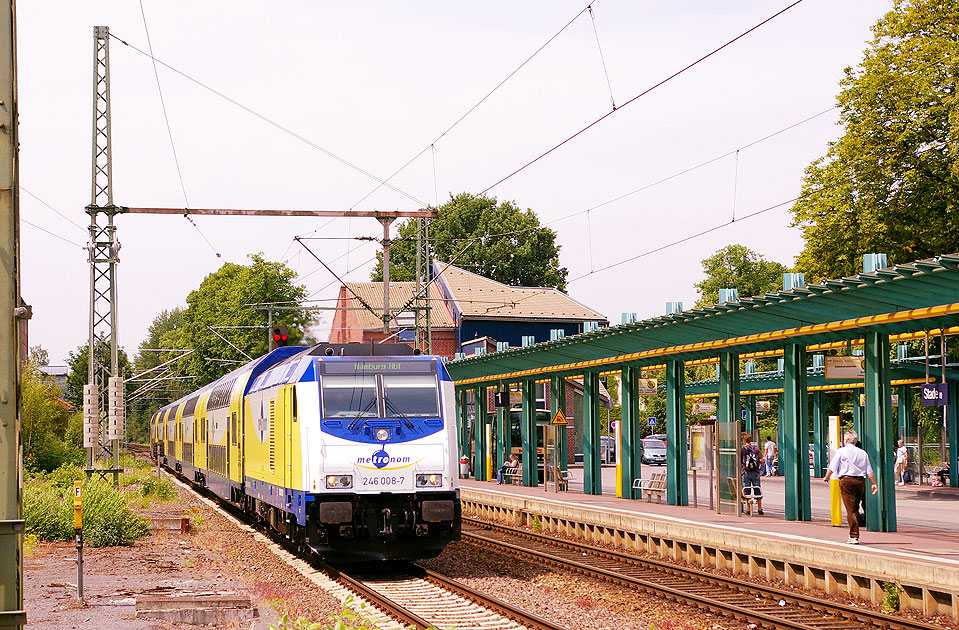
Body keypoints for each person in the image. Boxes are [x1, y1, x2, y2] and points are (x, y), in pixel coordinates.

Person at [823, 429, 878, 544]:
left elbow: (832, 466)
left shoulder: (841, 452)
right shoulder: (863, 453)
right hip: (860, 481)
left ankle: (854, 536)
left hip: (846, 481)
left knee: (850, 509)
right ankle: (854, 534)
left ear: (846, 440)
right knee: (855, 507)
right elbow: (869, 470)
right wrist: (874, 483)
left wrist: (826, 477)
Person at [741, 433, 764, 515]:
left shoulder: (743, 450)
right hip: (755, 472)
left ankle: (748, 509)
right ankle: (760, 508)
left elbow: (740, 461)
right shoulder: (756, 449)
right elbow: (762, 459)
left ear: (744, 440)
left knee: (747, 490)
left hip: (746, 472)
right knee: (757, 489)